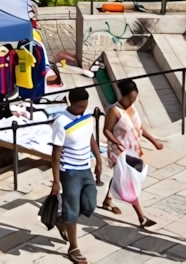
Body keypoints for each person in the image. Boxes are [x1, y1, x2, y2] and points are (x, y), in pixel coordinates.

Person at [50, 86, 102, 264]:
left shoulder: (87, 117)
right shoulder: (61, 121)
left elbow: (90, 138)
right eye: (80, 107)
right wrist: (56, 181)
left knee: (89, 204)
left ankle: (62, 219)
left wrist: (99, 160)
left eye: (85, 106)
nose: (82, 109)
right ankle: (73, 247)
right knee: (72, 209)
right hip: (69, 170)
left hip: (85, 168)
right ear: (72, 104)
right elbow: (56, 154)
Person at [100, 78, 163, 225]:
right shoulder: (114, 111)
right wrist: (118, 143)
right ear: (123, 95)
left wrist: (154, 141)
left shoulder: (132, 110)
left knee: (132, 175)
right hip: (120, 152)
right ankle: (141, 217)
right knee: (130, 181)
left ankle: (108, 200)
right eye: (129, 98)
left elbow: (139, 128)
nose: (131, 101)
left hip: (135, 150)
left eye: (134, 98)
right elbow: (107, 130)